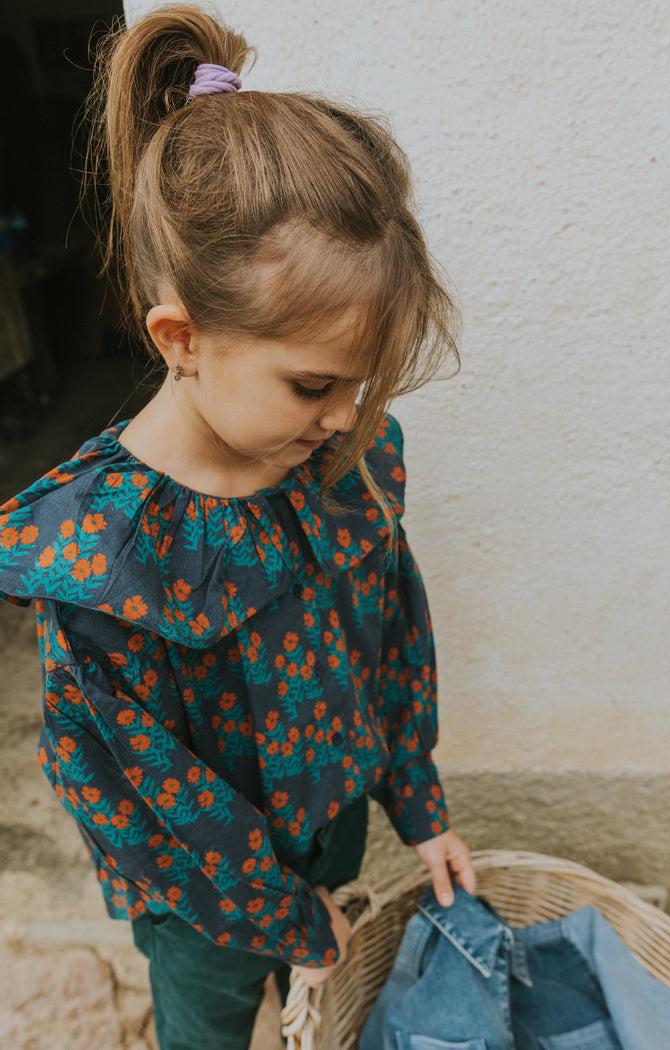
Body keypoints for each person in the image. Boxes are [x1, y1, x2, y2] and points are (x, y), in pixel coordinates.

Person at [0, 4, 476, 1047]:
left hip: (330, 825)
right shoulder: (102, 566)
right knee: (212, 1022)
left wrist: (418, 801)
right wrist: (286, 923)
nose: (349, 415)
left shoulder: (340, 466)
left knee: (310, 993)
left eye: (366, 383)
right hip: (204, 910)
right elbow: (155, 797)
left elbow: (391, 640)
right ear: (182, 338)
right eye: (315, 383)